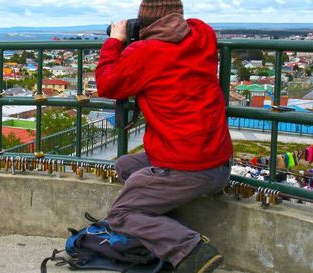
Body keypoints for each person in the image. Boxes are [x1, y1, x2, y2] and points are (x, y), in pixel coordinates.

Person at [95, 0, 233, 272]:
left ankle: (191, 249)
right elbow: (187, 25)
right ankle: (165, 228)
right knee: (126, 165)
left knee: (121, 215)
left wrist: (115, 41)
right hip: (219, 162)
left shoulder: (145, 52)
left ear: (144, 22)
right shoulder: (203, 34)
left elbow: (107, 84)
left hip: (186, 168)